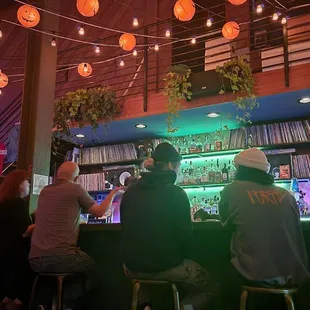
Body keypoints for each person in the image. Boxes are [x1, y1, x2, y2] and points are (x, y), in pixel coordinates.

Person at [120, 142, 217, 310]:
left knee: (146, 280)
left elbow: (125, 229)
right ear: (171, 165)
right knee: (212, 287)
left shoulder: (130, 192)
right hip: (166, 265)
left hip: (132, 266)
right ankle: (182, 307)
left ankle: (146, 305)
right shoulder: (176, 193)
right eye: (178, 166)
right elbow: (185, 237)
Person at [219, 148, 310, 309]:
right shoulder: (286, 195)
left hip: (254, 275)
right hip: (295, 276)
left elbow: (224, 222)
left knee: (218, 273)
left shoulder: (232, 190)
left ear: (240, 169)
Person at [29, 161, 123, 309]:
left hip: (35, 259)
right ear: (77, 177)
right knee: (97, 271)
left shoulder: (45, 191)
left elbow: (41, 215)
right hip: (62, 256)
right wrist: (114, 192)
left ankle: (51, 301)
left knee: (70, 273)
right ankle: (68, 302)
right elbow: (99, 212)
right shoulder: (75, 189)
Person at [0, 170, 35, 310]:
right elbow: (24, 232)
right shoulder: (17, 203)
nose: (29, 185)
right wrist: (42, 222)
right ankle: (16, 303)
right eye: (27, 182)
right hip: (17, 256)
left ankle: (9, 300)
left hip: (4, 255)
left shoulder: (4, 203)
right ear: (20, 185)